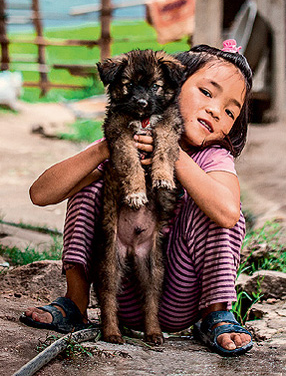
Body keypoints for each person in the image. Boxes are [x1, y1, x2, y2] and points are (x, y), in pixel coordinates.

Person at [21, 40, 253, 357]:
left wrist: (172, 153)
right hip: (120, 286)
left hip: (177, 296)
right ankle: (75, 303)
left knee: (219, 207)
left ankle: (217, 313)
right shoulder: (128, 138)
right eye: (207, 93)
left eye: (229, 111)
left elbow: (228, 214)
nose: (216, 110)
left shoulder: (213, 157)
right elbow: (40, 194)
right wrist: (106, 149)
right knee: (92, 184)